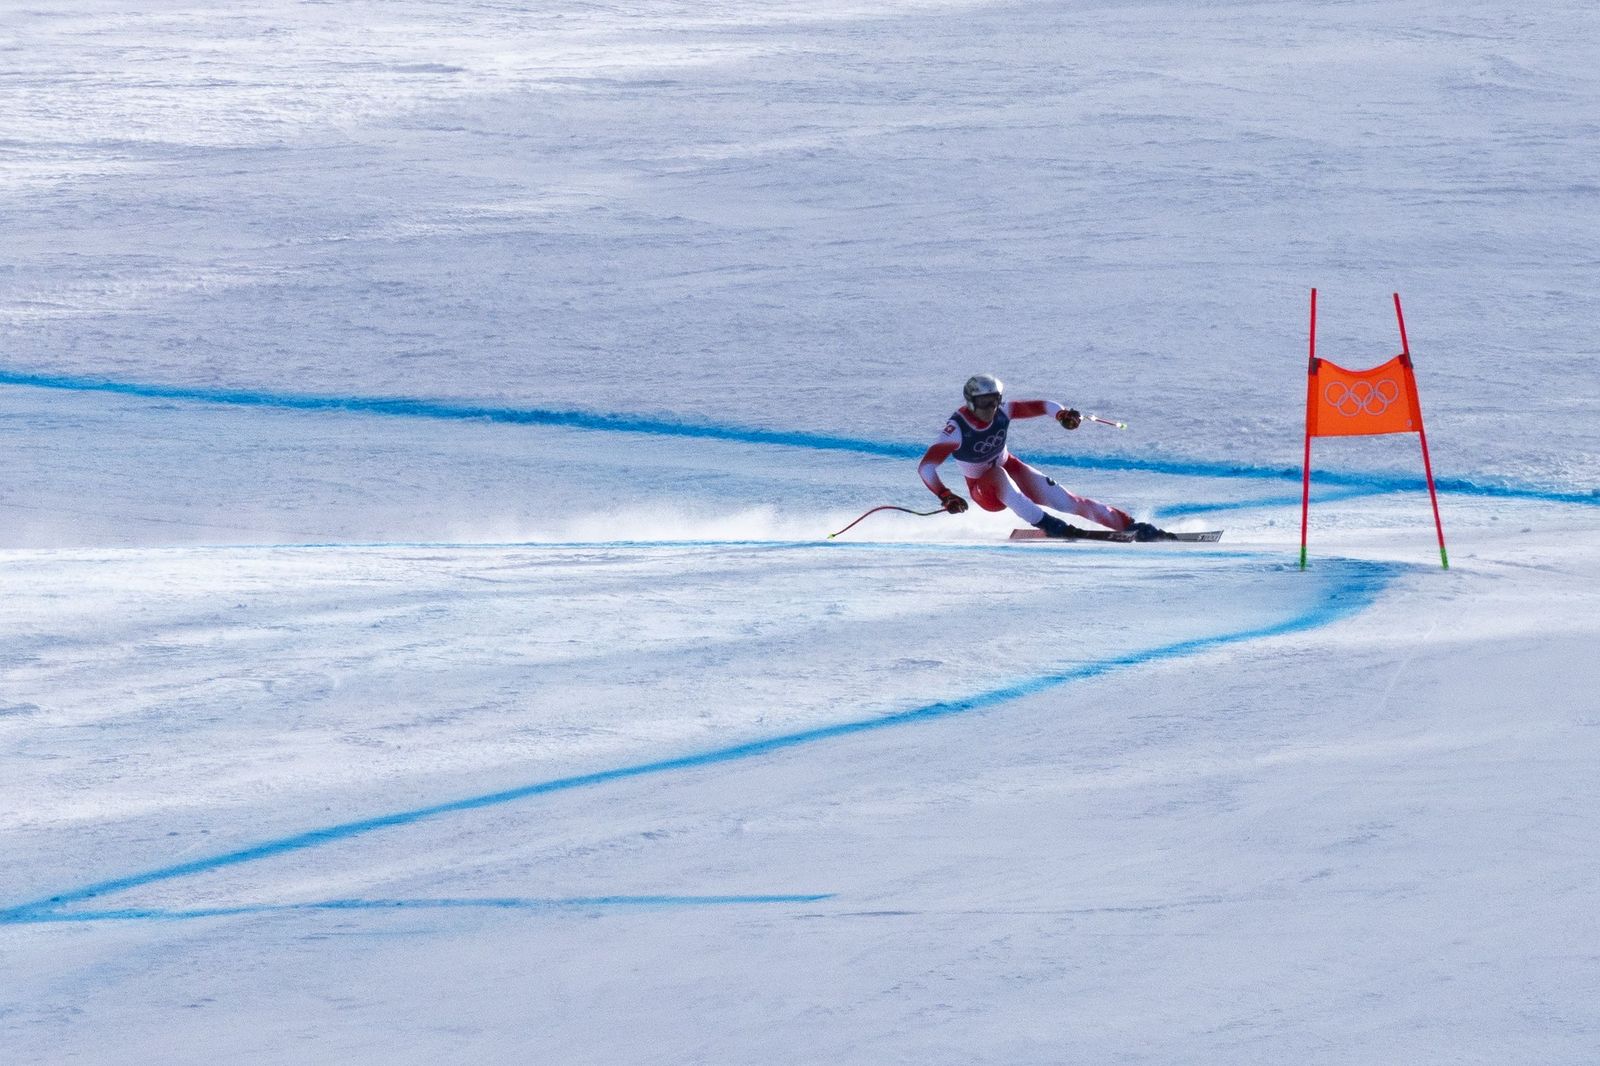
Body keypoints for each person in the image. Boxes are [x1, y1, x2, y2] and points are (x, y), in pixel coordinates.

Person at [918, 373, 1169, 540]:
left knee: (1069, 501)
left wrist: (1062, 415)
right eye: (985, 403)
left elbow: (1043, 405)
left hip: (1009, 467)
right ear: (971, 403)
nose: (991, 409)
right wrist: (945, 495)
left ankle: (1132, 526)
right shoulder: (957, 430)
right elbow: (926, 468)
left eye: (995, 401)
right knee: (997, 474)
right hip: (984, 490)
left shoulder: (1003, 411)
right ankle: (1051, 525)